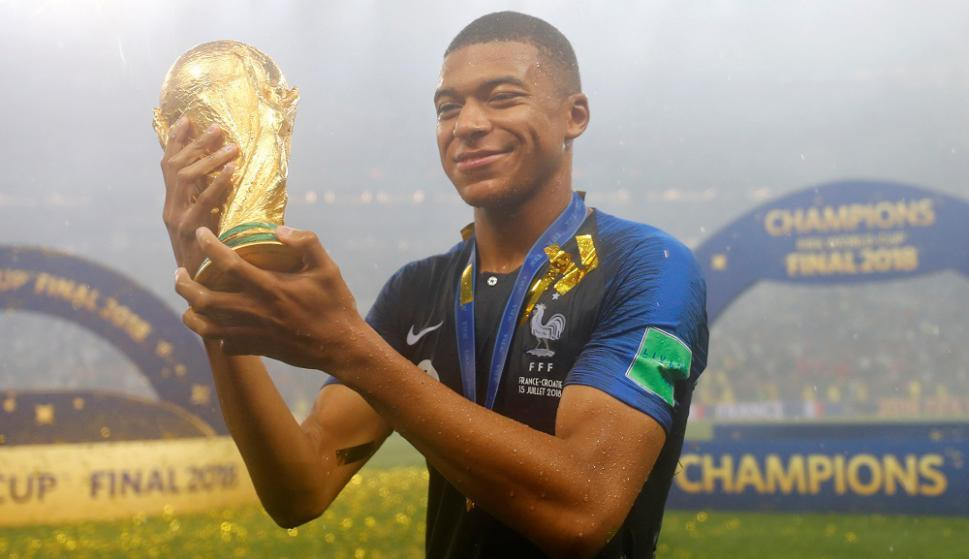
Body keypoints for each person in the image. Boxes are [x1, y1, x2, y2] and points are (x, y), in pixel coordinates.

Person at [160, 11, 708, 559]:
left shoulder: (649, 266)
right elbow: (299, 487)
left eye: (501, 97)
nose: (466, 124)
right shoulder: (417, 290)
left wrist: (349, 347)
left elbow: (584, 509)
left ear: (575, 115)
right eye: (448, 108)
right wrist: (213, 298)